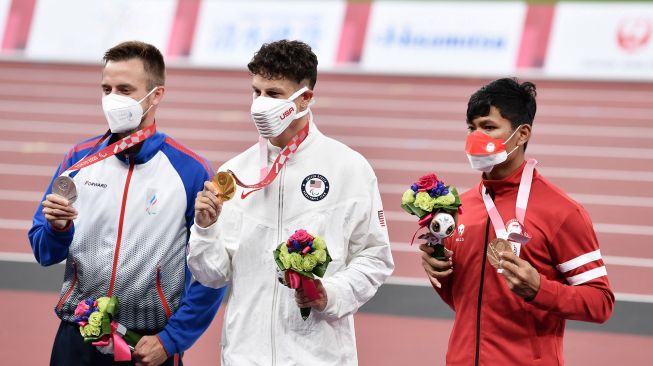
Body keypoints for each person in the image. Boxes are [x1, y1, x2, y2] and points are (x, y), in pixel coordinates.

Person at [187, 39, 394, 365]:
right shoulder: (234, 173)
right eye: (256, 92)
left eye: (273, 94)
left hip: (319, 357)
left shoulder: (349, 169)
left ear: (305, 98)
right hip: (244, 356)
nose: (260, 104)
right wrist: (205, 228)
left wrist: (331, 294)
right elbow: (212, 275)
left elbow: (375, 258)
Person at [28, 41, 226, 366]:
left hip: (146, 345)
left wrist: (172, 339)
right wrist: (57, 229)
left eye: (125, 89)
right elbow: (44, 251)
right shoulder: (79, 160)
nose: (113, 99)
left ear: (156, 95)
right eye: (107, 89)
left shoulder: (190, 170)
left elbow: (212, 272)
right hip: (76, 339)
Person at [420, 78, 614, 365]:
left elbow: (600, 304)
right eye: (471, 128)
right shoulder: (461, 207)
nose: (475, 136)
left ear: (522, 134)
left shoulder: (562, 212)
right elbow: (463, 303)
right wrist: (438, 272)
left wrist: (540, 289)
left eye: (488, 126)